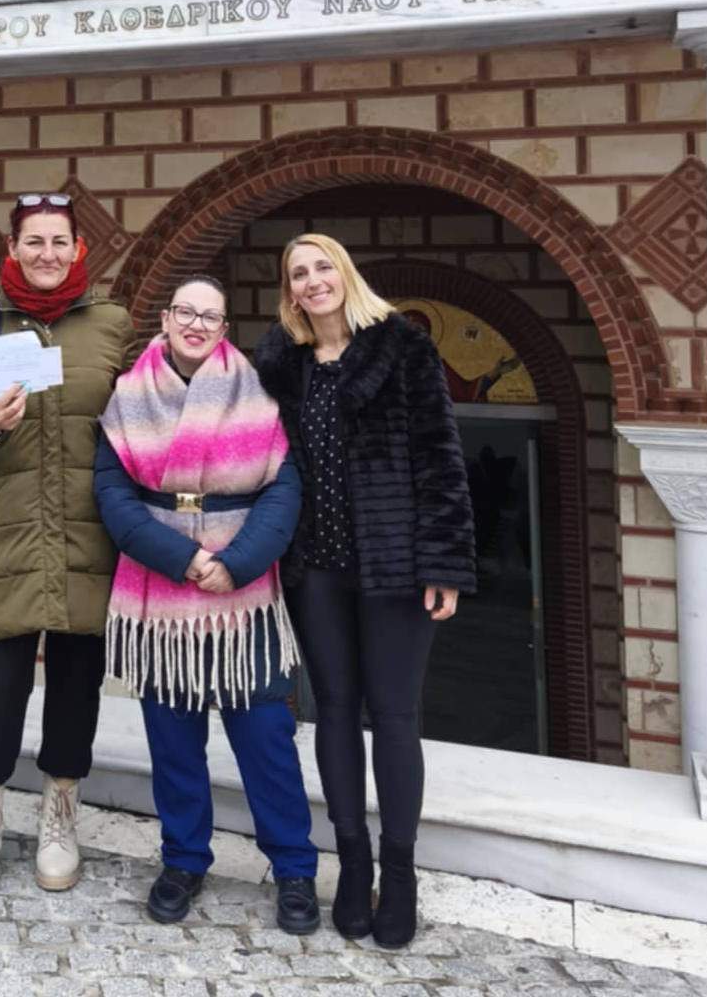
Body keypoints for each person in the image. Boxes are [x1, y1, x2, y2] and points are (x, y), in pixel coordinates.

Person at [253, 233, 475, 948]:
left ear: (345, 274)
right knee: (336, 712)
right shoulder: (280, 364)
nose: (313, 281)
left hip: (395, 566)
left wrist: (444, 563)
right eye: (298, 273)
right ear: (289, 292)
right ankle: (353, 866)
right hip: (314, 570)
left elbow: (441, 457)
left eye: (323, 267)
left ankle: (399, 873)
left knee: (396, 715)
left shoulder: (402, 348)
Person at [94, 275, 320, 932]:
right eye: (185, 312)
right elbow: (113, 493)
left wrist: (238, 562)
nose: (196, 324)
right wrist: (180, 557)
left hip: (243, 598)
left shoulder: (255, 391)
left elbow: (284, 487)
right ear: (166, 319)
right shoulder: (128, 395)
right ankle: (183, 860)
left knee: (266, 741)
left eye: (210, 316)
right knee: (173, 746)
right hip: (160, 593)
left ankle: (295, 869)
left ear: (224, 329)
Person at [0, 192, 143, 895]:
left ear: (78, 250)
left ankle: (61, 816)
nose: (47, 254)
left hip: (89, 527)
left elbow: (142, 410)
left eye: (60, 242)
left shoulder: (113, 324)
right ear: (13, 249)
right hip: (5, 527)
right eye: (34, 241)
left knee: (77, 683)